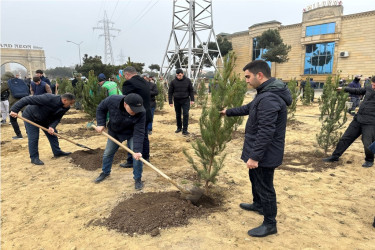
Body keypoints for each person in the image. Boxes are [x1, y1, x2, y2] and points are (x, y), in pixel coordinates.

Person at [220, 60, 292, 237]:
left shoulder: (270, 97)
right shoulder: (264, 93)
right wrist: (228, 112)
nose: (246, 80)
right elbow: (249, 108)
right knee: (255, 178)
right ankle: (258, 204)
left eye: (247, 76)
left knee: (265, 186)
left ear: (259, 75)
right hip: (260, 151)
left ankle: (270, 224)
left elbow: (266, 131)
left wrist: (255, 157)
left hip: (265, 154)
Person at [94, 93, 146, 190]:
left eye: (137, 109)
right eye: (133, 109)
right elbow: (101, 108)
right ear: (125, 104)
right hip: (115, 132)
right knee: (108, 153)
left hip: (132, 134)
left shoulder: (141, 112)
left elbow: (139, 132)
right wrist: (101, 123)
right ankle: (105, 172)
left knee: (137, 156)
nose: (135, 112)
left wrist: (137, 150)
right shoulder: (112, 100)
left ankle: (138, 179)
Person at [323, 76, 375, 168]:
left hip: (370, 122)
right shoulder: (369, 88)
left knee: (367, 143)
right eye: (372, 84)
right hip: (358, 119)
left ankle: (369, 160)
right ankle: (335, 156)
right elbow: (358, 91)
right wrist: (344, 89)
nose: (373, 86)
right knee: (346, 138)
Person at [9, 93, 75, 165]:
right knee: (34, 137)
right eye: (70, 103)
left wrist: (52, 126)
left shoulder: (66, 107)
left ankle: (57, 152)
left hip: (45, 119)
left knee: (53, 134)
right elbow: (26, 99)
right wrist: (14, 110)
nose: (71, 105)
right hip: (31, 117)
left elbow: (58, 118)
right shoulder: (48, 98)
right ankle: (34, 158)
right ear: (65, 100)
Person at [120, 67, 152, 168]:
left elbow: (126, 100)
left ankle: (131, 160)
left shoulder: (128, 83)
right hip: (147, 113)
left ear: (127, 74)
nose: (125, 78)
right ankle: (145, 157)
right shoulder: (145, 81)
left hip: (136, 114)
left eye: (125, 76)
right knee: (144, 136)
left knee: (131, 137)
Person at [1, 73, 30, 139]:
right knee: (26, 118)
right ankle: (29, 134)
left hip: (14, 103)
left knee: (13, 120)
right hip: (24, 101)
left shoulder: (7, 83)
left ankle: (19, 135)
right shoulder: (20, 81)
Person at [168, 68, 195, 135]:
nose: (178, 77)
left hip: (185, 100)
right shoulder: (173, 82)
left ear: (182, 74)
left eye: (180, 75)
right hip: (177, 100)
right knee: (178, 114)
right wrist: (170, 101)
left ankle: (185, 130)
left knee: (185, 114)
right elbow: (170, 92)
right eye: (177, 75)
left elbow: (191, 91)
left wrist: (192, 99)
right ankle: (179, 128)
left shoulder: (188, 81)